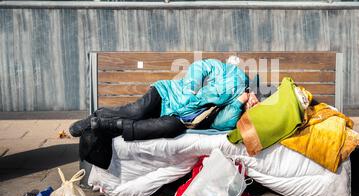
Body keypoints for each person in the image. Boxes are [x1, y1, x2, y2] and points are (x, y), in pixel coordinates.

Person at [70, 58, 258, 142]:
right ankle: (96, 117)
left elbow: (221, 123)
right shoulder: (231, 74)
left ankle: (110, 126)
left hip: (180, 118)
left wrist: (239, 102)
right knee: (137, 111)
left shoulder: (237, 104)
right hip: (167, 94)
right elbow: (202, 66)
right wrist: (191, 87)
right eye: (256, 100)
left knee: (170, 127)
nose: (254, 103)